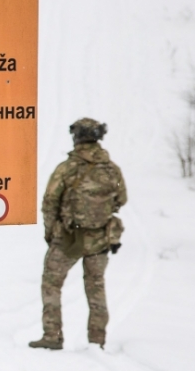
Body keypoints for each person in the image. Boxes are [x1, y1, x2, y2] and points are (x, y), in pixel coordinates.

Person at [30, 118, 127, 350]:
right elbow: (121, 199)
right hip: (101, 238)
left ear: (77, 137)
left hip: (68, 238)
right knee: (96, 286)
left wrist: (50, 233)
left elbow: (49, 201)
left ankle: (52, 336)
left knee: (51, 284)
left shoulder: (67, 168)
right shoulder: (112, 169)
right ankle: (97, 340)